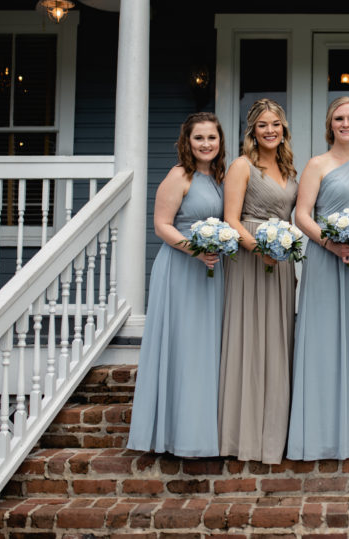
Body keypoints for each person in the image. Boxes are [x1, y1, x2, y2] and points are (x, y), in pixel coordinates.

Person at [127, 112, 227, 457]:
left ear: (220, 141)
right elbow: (161, 225)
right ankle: (175, 435)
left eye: (211, 138)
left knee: (205, 349)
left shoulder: (218, 178)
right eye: (198, 138)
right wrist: (195, 250)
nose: (206, 144)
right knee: (184, 346)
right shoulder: (179, 175)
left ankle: (200, 430)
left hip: (211, 270)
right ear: (187, 142)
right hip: (182, 268)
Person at [286, 97, 349, 460]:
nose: (346, 123)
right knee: (322, 339)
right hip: (325, 259)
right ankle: (317, 432)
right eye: (339, 117)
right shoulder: (316, 164)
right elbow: (302, 215)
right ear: (330, 123)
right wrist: (331, 243)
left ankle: (348, 430)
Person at [219, 98, 299, 464]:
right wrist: (256, 247)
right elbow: (231, 219)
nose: (270, 130)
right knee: (249, 339)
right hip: (249, 257)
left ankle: (273, 437)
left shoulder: (289, 169)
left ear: (284, 129)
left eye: (276, 124)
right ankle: (242, 437)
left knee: (277, 340)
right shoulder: (242, 166)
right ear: (252, 130)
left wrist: (278, 249)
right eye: (263, 125)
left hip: (280, 259)